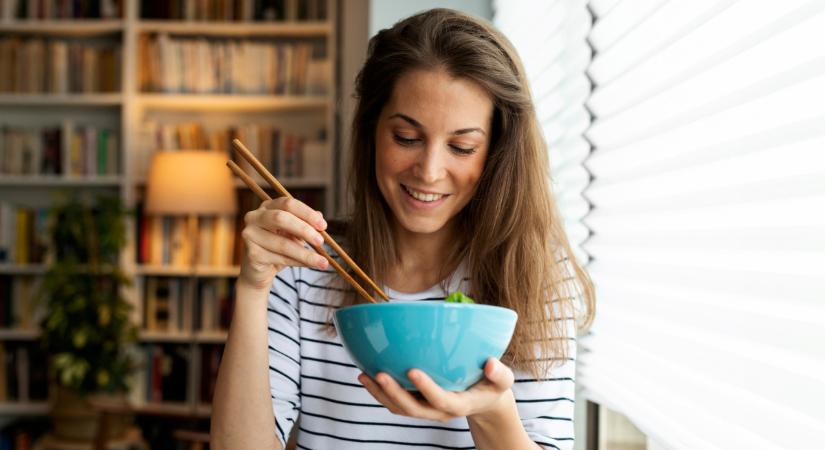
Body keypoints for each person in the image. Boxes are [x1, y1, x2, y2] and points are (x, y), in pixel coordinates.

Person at [211, 8, 595, 450]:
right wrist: (252, 287)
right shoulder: (304, 263)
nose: (430, 171)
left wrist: (490, 411)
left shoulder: (535, 274)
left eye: (461, 146)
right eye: (407, 138)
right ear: (372, 131)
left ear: (496, 152)